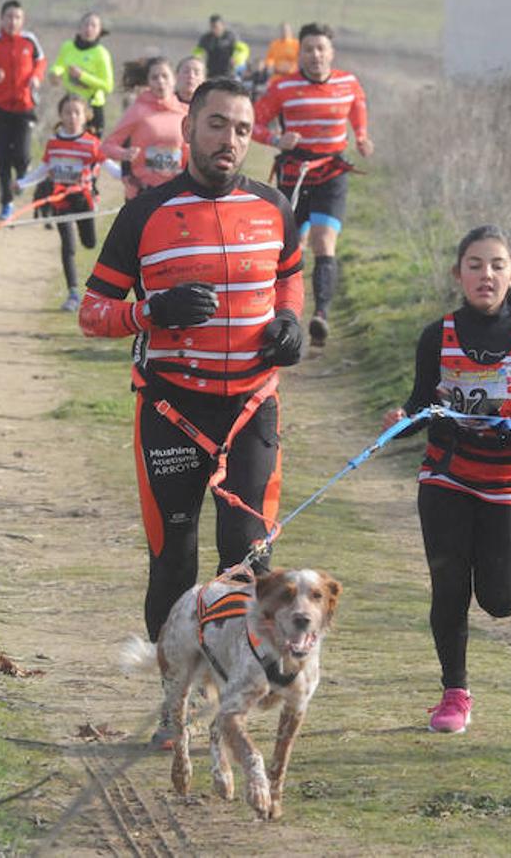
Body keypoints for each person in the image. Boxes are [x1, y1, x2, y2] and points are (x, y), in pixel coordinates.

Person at [78, 77, 305, 644]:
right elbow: (92, 312)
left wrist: (290, 322)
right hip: (171, 411)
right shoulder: (143, 214)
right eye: (217, 124)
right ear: (188, 128)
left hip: (252, 408)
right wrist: (152, 311)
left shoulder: (274, 208)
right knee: (174, 563)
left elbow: (289, 278)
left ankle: (235, 681)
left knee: (248, 561)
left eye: (243, 130)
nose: (230, 139)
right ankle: (174, 689)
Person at [382, 226, 511, 735]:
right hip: (446, 475)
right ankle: (454, 693)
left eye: (497, 265)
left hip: (506, 478)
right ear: (458, 274)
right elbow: (421, 405)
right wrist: (401, 421)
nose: (486, 274)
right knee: (448, 586)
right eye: (475, 265)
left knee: (499, 601)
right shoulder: (436, 336)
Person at [252, 21, 372, 348]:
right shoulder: (282, 87)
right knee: (290, 248)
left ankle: (321, 315)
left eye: (321, 49)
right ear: (299, 53)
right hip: (294, 173)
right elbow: (253, 124)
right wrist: (277, 139)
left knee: (324, 241)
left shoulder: (348, 82)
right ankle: (280, 316)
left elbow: (358, 106)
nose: (315, 55)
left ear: (331, 52)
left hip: (332, 173)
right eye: (308, 49)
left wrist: (361, 136)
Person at [15, 93, 104, 312]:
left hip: (83, 201)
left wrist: (128, 176)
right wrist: (22, 183)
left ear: (85, 116)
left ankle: (89, 288)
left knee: (90, 243)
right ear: (61, 116)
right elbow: (43, 170)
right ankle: (73, 293)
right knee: (68, 246)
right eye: (67, 112)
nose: (72, 117)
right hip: (60, 200)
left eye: (77, 112)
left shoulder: (91, 143)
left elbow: (108, 165)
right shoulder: (54, 144)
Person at [0, 0, 47, 221]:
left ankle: (23, 174)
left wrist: (36, 77)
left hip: (24, 107)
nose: (12, 21)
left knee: (22, 155)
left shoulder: (29, 40)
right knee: (2, 157)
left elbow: (41, 61)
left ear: (22, 20)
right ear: (1, 19)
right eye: (9, 17)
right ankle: (6, 204)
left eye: (17, 17)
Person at [102, 57, 187, 201]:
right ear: (148, 83)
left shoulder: (185, 112)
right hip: (143, 191)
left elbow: (190, 152)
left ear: (174, 79)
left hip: (175, 191)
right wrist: (124, 153)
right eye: (155, 78)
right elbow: (107, 146)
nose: (160, 81)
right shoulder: (137, 110)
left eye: (165, 76)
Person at [51, 12, 114, 135]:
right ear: (79, 28)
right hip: (71, 108)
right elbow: (59, 65)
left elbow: (108, 86)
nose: (88, 28)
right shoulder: (67, 47)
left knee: (89, 145)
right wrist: (54, 73)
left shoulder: (101, 53)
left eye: (93, 26)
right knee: (68, 142)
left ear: (99, 31)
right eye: (86, 24)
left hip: (92, 107)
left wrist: (82, 76)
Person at [195, 14, 249, 79]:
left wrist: (236, 59)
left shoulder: (231, 36)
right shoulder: (206, 38)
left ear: (222, 25)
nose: (214, 29)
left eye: (216, 26)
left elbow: (242, 49)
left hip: (228, 71)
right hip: (211, 71)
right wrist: (198, 61)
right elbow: (198, 52)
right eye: (212, 27)